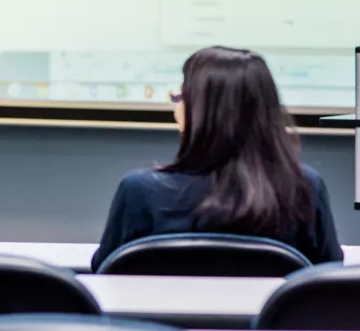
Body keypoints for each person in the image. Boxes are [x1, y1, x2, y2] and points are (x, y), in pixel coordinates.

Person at [91, 46, 343, 271]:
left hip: (163, 322)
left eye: (180, 95)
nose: (174, 103)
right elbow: (326, 276)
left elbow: (104, 271)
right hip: (270, 323)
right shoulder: (306, 188)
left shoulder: (139, 191)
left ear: (198, 112)